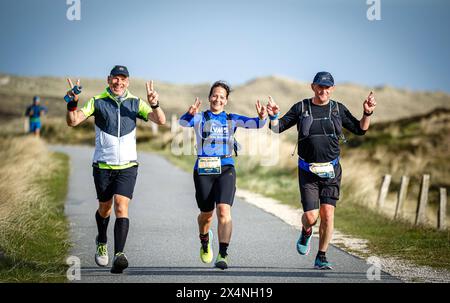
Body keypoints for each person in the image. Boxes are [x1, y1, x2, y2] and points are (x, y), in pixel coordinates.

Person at [267, 71, 376, 269]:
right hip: (307, 171)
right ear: (313, 87)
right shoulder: (301, 107)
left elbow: (360, 129)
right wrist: (274, 115)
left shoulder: (338, 109)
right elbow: (277, 128)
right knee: (311, 217)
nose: (323, 90)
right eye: (320, 86)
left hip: (332, 171)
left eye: (327, 87)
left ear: (332, 89)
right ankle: (306, 231)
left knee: (327, 214)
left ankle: (321, 256)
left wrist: (367, 113)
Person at [65, 65, 166, 274]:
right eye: (115, 79)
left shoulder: (136, 102)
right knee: (105, 208)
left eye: (123, 79)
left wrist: (154, 103)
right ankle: (102, 240)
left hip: (128, 165)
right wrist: (72, 102)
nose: (118, 83)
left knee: (121, 205)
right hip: (102, 166)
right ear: (108, 79)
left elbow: (161, 120)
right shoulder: (97, 101)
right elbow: (73, 122)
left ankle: (119, 254)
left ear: (127, 82)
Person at [179, 81, 268, 270]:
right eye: (215, 95)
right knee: (206, 215)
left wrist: (262, 116)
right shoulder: (200, 117)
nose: (217, 99)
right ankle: (205, 240)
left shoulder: (231, 118)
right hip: (203, 170)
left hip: (226, 167)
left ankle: (223, 253)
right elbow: (183, 122)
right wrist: (190, 113)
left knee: (223, 211)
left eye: (222, 97)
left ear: (226, 101)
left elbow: (257, 124)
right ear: (209, 97)